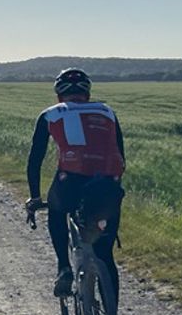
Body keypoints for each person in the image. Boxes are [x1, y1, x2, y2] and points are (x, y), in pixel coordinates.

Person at [23, 68, 126, 299]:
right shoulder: (107, 112)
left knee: (57, 210)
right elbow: (120, 154)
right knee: (105, 254)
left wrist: (35, 197)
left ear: (59, 95)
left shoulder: (50, 114)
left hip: (70, 181)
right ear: (87, 94)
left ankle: (64, 267)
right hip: (108, 183)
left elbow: (35, 160)